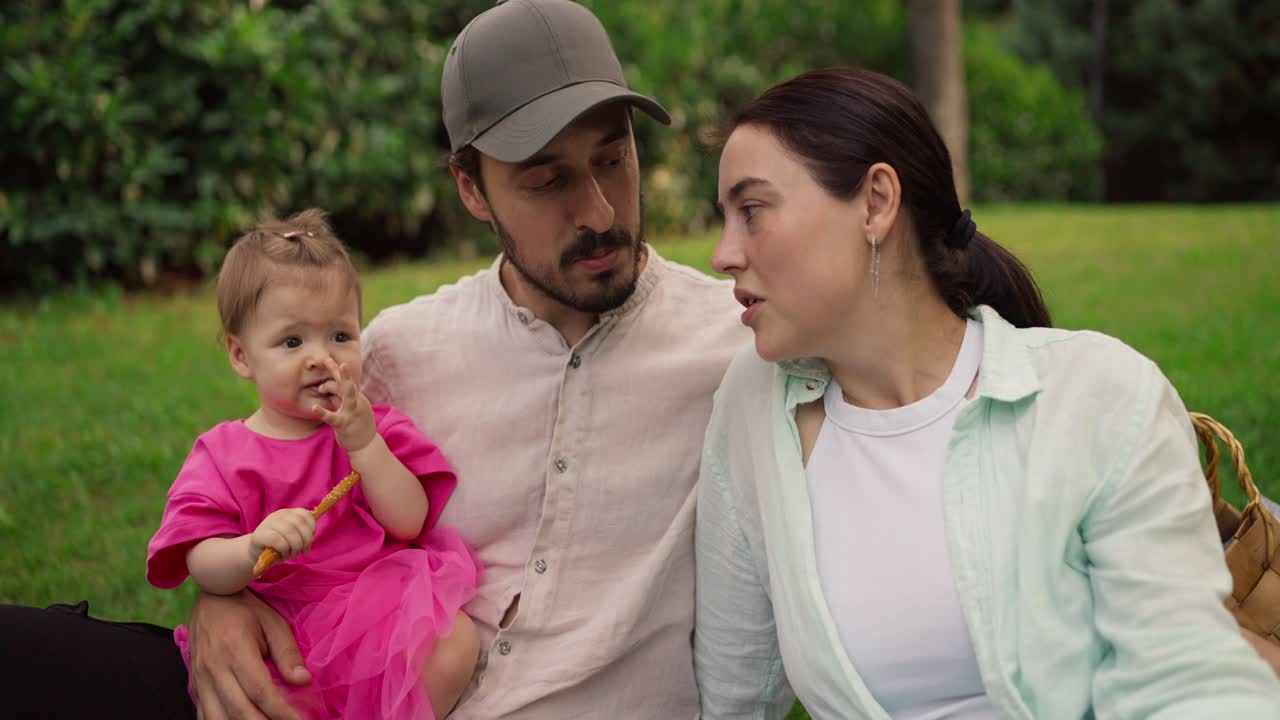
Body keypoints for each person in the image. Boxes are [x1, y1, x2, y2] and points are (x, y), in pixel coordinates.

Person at [0, 1, 746, 718]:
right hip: (319, 690)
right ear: (469, 188)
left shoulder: (736, 347)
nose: (600, 212)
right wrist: (228, 595)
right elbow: (283, 494)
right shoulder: (397, 350)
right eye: (548, 180)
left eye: (614, 158)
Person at [693, 66, 1280, 718]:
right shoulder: (754, 409)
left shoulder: (1097, 395)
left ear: (876, 202)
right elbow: (733, 696)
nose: (723, 253)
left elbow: (1183, 678)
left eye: (752, 210)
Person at [145, 209, 481, 719]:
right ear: (241, 355)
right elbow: (200, 560)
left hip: (376, 613)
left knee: (455, 641)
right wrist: (250, 547)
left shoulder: (375, 428)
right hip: (278, 624)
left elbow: (410, 520)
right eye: (292, 341)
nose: (322, 357)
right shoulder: (224, 454)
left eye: (340, 336)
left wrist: (364, 444)